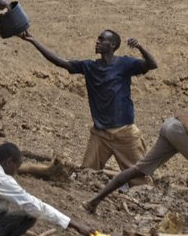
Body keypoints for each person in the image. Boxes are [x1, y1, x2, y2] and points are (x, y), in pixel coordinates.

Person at [21, 29, 157, 182]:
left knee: (140, 181)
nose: (97, 41)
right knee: (85, 176)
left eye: (101, 39)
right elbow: (61, 62)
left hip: (125, 133)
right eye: (98, 38)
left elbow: (152, 65)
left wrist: (140, 47)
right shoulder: (90, 67)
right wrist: (33, 41)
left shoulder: (125, 64)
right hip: (100, 134)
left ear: (112, 45)